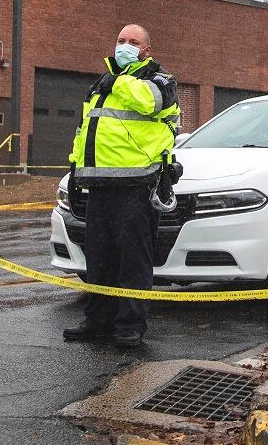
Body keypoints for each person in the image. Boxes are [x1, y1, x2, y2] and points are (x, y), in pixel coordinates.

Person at [62, 23, 180, 347]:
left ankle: (130, 325)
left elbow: (150, 102)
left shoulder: (160, 79)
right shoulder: (100, 84)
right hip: (99, 184)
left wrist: (118, 81)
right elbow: (86, 130)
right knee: (98, 260)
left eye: (133, 42)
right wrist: (76, 170)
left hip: (138, 185)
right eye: (120, 40)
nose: (124, 46)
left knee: (133, 260)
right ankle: (97, 320)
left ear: (146, 51)